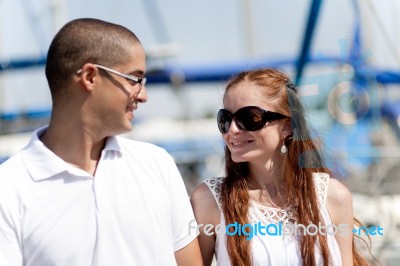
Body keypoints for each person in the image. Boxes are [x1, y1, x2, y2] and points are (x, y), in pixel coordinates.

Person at [0, 18, 202, 266]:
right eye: (134, 79)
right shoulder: (7, 190)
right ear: (90, 76)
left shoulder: (158, 164)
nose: (144, 95)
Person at [191, 68, 372, 266]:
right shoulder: (209, 200)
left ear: (287, 126)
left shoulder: (334, 196)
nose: (232, 130)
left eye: (249, 118)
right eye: (225, 119)